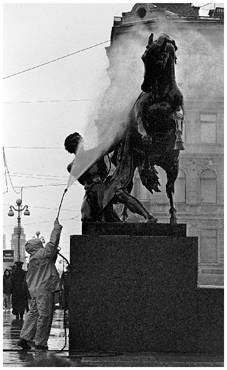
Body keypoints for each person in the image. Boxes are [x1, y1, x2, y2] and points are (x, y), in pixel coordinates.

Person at [17, 218, 62, 350]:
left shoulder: (32, 259)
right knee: (45, 315)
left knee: (33, 314)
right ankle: (40, 342)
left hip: (35, 291)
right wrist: (57, 227)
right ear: (38, 244)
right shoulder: (43, 253)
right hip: (44, 289)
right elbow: (53, 243)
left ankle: (24, 338)